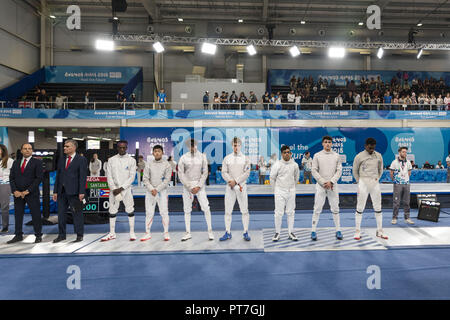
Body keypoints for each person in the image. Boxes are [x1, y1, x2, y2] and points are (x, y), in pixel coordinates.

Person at [52, 140, 88, 243]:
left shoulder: (81, 159)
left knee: (77, 214)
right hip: (61, 192)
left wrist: (81, 192)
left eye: (67, 146)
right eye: (64, 146)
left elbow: (82, 177)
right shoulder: (62, 159)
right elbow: (58, 176)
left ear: (74, 148)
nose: (64, 148)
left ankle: (79, 235)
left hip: (75, 192)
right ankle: (62, 235)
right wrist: (55, 191)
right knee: (61, 215)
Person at [178, 139, 214, 241]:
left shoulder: (202, 157)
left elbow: (205, 172)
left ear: (196, 145)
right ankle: (188, 232)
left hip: (200, 186)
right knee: (187, 209)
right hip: (187, 186)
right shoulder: (183, 158)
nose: (192, 147)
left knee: (206, 208)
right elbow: (181, 174)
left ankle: (210, 232)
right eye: (190, 146)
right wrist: (189, 186)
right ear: (187, 147)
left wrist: (199, 186)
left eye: (193, 145)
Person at [101, 141, 137, 242]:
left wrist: (121, 188)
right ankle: (112, 233)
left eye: (124, 148)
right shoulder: (111, 160)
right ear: (117, 148)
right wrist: (114, 189)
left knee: (130, 209)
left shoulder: (131, 160)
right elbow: (109, 176)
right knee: (112, 210)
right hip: (114, 190)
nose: (122, 149)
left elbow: (131, 177)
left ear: (126, 148)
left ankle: (132, 232)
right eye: (120, 148)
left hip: (126, 190)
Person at [8, 143, 43, 244]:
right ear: (21, 150)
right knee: (18, 215)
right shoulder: (16, 163)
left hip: (31, 193)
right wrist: (15, 191)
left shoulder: (37, 162)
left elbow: (38, 178)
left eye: (29, 149)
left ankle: (38, 235)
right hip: (18, 194)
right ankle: (18, 235)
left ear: (32, 151)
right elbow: (11, 178)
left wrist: (27, 191)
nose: (27, 150)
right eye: (25, 148)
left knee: (35, 215)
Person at [353, 138, 387, 240]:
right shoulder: (359, 156)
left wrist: (376, 179)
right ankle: (357, 231)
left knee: (378, 207)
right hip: (363, 182)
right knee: (360, 207)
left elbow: (380, 169)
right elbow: (355, 170)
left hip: (374, 182)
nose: (371, 148)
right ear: (365, 146)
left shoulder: (378, 155)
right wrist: (360, 181)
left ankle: (380, 230)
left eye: (373, 146)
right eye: (369, 146)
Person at [311, 136, 343, 241]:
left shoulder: (336, 156)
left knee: (335, 208)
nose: (327, 144)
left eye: (329, 142)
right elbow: (314, 170)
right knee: (317, 208)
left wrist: (331, 181)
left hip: (333, 186)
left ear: (332, 144)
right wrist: (322, 181)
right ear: (322, 144)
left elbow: (339, 171)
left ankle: (338, 230)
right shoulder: (317, 155)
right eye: (325, 142)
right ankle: (313, 230)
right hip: (321, 186)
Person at [219, 137, 251, 242]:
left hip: (241, 187)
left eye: (237, 145)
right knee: (228, 211)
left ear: (240, 146)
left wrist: (236, 181)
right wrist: (231, 181)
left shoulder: (246, 158)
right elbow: (224, 172)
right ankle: (227, 232)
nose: (236, 147)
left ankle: (245, 231)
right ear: (232, 146)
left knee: (244, 211)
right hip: (230, 187)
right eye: (234, 145)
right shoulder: (227, 158)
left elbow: (246, 173)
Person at [141, 145, 172, 242]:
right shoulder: (148, 164)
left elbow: (167, 180)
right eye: (155, 151)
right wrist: (151, 189)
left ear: (162, 152)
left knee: (164, 212)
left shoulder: (167, 165)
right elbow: (145, 179)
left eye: (159, 151)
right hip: (150, 192)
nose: (157, 153)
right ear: (153, 153)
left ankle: (166, 233)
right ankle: (147, 233)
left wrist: (157, 189)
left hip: (162, 192)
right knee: (149, 212)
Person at [270, 145, 299, 241]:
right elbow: (272, 178)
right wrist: (276, 190)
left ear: (290, 153)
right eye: (285, 152)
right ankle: (277, 232)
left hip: (291, 191)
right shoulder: (277, 165)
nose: (287, 154)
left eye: (288, 152)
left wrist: (292, 188)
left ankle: (290, 232)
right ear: (282, 154)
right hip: (279, 191)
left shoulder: (295, 165)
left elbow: (296, 178)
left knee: (291, 212)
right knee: (278, 213)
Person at [390, 147, 414, 225]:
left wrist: (405, 179)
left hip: (406, 184)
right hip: (398, 184)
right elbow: (391, 173)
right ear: (399, 152)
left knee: (407, 202)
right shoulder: (394, 162)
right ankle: (394, 218)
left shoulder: (408, 162)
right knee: (396, 202)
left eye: (406, 152)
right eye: (403, 152)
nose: (405, 153)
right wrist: (396, 181)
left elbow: (409, 172)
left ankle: (407, 218)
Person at [0, 144, 14, 233]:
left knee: (4, 206)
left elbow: (12, 174)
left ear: (2, 150)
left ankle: (5, 227)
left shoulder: (9, 161)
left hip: (5, 185)